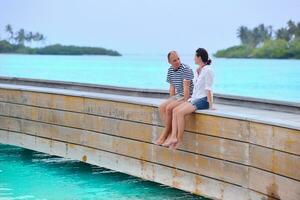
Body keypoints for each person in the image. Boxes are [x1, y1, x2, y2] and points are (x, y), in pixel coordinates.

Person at [163, 48, 214, 149]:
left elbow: (208, 88)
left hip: (203, 100)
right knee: (175, 110)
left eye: (195, 56)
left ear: (199, 57)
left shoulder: (208, 70)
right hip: (195, 98)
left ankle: (179, 140)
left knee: (180, 113)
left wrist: (210, 105)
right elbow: (195, 88)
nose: (193, 58)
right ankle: (173, 137)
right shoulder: (198, 70)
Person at [155, 51, 194, 146]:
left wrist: (184, 101)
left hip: (189, 95)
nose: (177, 62)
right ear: (170, 62)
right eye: (174, 60)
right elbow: (172, 87)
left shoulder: (186, 69)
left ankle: (165, 135)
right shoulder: (170, 70)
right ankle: (169, 133)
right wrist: (171, 100)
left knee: (169, 108)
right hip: (178, 95)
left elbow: (187, 89)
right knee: (161, 107)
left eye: (178, 59)